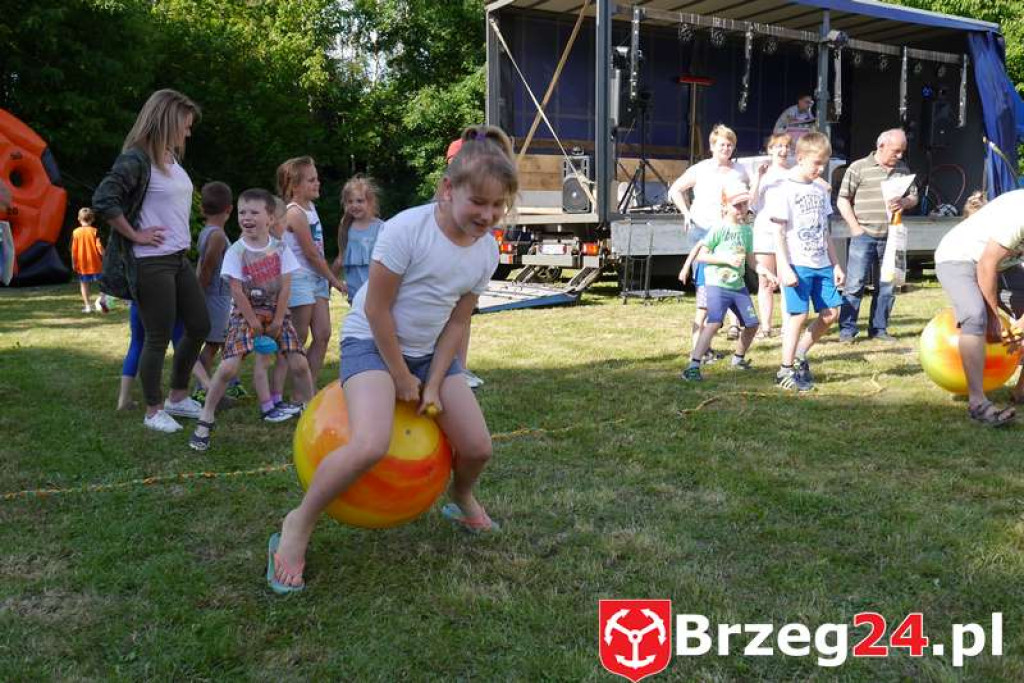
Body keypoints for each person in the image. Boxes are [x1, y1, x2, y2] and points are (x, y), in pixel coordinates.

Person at [267, 125, 512, 594]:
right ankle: (298, 523)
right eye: (477, 202)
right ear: (448, 190)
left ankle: (460, 497)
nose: (487, 214)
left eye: (497, 205)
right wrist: (401, 376)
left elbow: (458, 323)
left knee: (479, 447)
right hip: (372, 344)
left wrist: (435, 382)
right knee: (371, 444)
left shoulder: (487, 250)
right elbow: (376, 309)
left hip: (428, 354)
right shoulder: (406, 230)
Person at [92, 89, 210, 432]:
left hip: (177, 257)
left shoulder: (171, 160)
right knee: (157, 336)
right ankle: (153, 410)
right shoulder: (136, 159)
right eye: (185, 126)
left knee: (199, 324)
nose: (188, 133)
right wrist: (135, 234)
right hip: (150, 260)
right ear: (167, 121)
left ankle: (177, 395)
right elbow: (104, 199)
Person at [190, 189, 313, 450]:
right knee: (228, 368)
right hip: (245, 314)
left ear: (270, 218)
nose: (247, 217)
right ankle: (206, 417)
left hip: (277, 311)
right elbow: (236, 290)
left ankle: (313, 414)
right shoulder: (236, 251)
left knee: (300, 365)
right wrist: (254, 323)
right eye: (243, 212)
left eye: (254, 212)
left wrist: (279, 319)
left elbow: (286, 287)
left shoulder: (281, 249)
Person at [933, 189, 1024, 425]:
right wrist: (993, 317)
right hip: (958, 256)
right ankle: (977, 403)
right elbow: (987, 264)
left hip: (1005, 264)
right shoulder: (1019, 212)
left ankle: (1021, 390)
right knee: (976, 315)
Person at [765, 132, 845, 392]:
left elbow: (825, 232)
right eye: (816, 164)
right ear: (800, 158)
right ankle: (784, 371)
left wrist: (835, 264)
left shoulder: (820, 192)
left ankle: (800, 354)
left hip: (821, 262)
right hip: (797, 263)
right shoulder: (784, 189)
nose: (821, 169)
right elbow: (777, 233)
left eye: (825, 164)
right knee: (797, 316)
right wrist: (784, 266)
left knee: (832, 313)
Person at [669, 124, 750, 358]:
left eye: (730, 144)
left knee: (730, 279)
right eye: (722, 144)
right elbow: (675, 190)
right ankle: (701, 347)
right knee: (705, 290)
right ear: (712, 147)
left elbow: (749, 194)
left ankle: (728, 328)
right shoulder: (701, 169)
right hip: (704, 231)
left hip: (729, 233)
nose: (726, 148)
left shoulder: (740, 171)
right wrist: (685, 213)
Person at [682, 185, 774, 381]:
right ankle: (693, 365)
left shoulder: (747, 231)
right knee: (714, 322)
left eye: (744, 205)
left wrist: (765, 272)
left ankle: (738, 359)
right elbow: (702, 256)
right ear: (725, 206)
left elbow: (751, 260)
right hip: (717, 284)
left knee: (752, 324)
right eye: (736, 205)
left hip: (738, 286)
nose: (741, 209)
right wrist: (726, 260)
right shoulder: (719, 228)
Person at [837, 128, 919, 342]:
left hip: (892, 235)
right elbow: (842, 199)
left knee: (887, 285)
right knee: (855, 284)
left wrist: (905, 202)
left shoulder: (902, 169)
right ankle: (847, 331)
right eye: (896, 151)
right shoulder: (859, 167)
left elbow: (914, 196)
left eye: (902, 151)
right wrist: (855, 227)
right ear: (880, 146)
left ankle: (879, 330)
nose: (899, 156)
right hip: (863, 235)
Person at [276, 156, 346, 390]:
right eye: (311, 180)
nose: (318, 183)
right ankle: (280, 392)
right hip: (299, 279)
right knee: (298, 336)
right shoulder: (294, 213)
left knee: (324, 333)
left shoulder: (311, 208)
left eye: (317, 179)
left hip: (315, 278)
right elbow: (311, 254)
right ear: (294, 186)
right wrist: (334, 280)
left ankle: (308, 388)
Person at [445, 137, 488, 389]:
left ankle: (459, 368)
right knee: (448, 318)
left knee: (464, 316)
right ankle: (450, 369)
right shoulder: (447, 196)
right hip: (449, 270)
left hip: (466, 267)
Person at [194, 181, 238, 401]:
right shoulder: (218, 236)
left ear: (202, 209)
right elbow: (208, 269)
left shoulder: (207, 232)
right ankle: (201, 390)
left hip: (217, 296)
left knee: (220, 342)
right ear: (229, 208)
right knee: (212, 345)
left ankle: (220, 385)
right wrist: (198, 296)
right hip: (216, 297)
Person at [748, 134, 793, 337]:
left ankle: (787, 326)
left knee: (786, 281)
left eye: (786, 147)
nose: (783, 150)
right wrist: (757, 177)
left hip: (787, 232)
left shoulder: (794, 174)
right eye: (778, 147)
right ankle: (765, 327)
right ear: (770, 150)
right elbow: (751, 203)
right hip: (765, 230)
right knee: (765, 281)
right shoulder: (763, 174)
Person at [331, 174, 384, 303]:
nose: (354, 205)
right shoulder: (346, 227)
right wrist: (332, 281)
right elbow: (340, 258)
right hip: (354, 292)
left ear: (370, 202)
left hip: (376, 291)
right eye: (350, 201)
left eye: (359, 201)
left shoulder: (381, 227)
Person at [70, 207, 105, 313]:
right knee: (103, 283)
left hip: (82, 265)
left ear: (79, 219)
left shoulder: (75, 232)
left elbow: (73, 250)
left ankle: (88, 306)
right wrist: (106, 257)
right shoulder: (95, 231)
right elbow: (100, 248)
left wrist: (73, 263)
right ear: (92, 219)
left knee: (84, 284)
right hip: (96, 263)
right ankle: (102, 303)